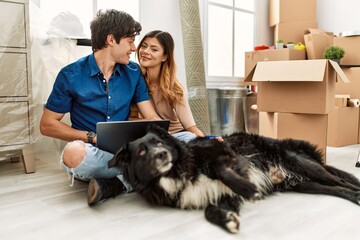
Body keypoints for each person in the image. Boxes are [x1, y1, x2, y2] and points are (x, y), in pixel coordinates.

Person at [40, 9, 160, 206]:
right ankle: (140, 174)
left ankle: (117, 183)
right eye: (130, 41)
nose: (134, 47)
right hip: (92, 153)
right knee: (73, 153)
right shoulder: (70, 75)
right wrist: (91, 137)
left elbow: (151, 117)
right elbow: (47, 125)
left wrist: (165, 138)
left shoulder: (133, 72)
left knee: (186, 140)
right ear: (111, 40)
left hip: (125, 150)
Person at [136, 30, 205, 142]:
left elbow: (191, 128)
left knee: (190, 138)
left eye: (154, 49)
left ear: (164, 57)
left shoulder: (174, 88)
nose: (145, 51)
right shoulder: (134, 81)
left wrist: (207, 140)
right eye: (144, 46)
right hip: (149, 134)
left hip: (175, 135)